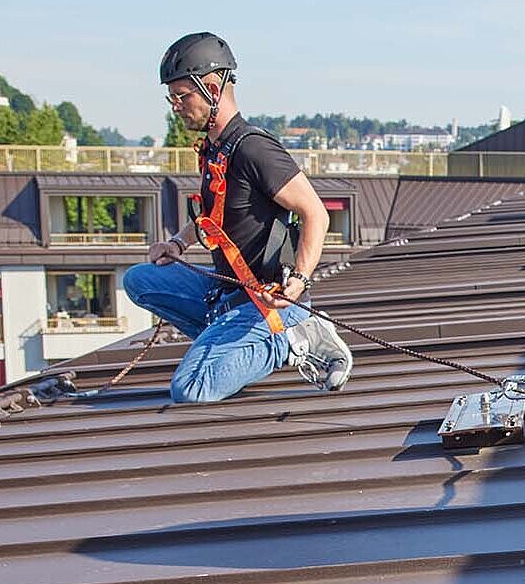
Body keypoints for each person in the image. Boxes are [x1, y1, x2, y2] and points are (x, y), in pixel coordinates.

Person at [123, 32, 353, 404]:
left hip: (267, 302)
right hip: (228, 294)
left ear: (212, 88)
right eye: (172, 98)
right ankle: (231, 343)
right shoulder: (217, 149)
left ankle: (293, 340)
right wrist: (177, 243)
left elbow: (315, 212)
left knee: (192, 388)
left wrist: (299, 280)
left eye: (181, 96)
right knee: (139, 279)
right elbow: (213, 218)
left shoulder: (254, 149)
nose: (175, 107)